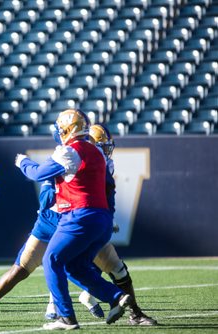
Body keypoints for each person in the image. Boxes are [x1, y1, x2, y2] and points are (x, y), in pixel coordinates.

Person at [14, 109, 133, 330]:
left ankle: (65, 316)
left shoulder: (70, 151)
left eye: (62, 128)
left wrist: (23, 163)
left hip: (79, 217)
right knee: (75, 265)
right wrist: (109, 216)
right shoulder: (98, 155)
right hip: (100, 219)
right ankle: (115, 297)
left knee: (53, 260)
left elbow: (39, 175)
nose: (60, 132)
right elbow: (110, 191)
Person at [76, 124, 157, 326]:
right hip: (79, 224)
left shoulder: (100, 165)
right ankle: (60, 308)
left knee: (111, 268)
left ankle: (131, 312)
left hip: (90, 222)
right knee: (63, 265)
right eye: (101, 146)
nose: (106, 151)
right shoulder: (80, 164)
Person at [0, 180, 60, 327]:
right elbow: (43, 190)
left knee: (95, 265)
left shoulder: (95, 166)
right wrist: (24, 163)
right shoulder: (58, 164)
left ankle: (94, 299)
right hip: (47, 224)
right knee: (19, 269)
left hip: (74, 224)